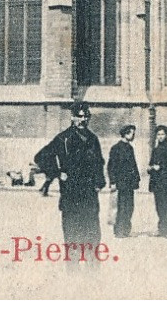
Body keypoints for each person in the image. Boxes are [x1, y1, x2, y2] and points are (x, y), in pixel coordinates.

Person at [34, 103, 106, 248]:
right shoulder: (63, 139)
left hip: (90, 196)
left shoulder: (93, 139)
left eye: (86, 117)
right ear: (72, 118)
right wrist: (57, 172)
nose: (83, 120)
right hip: (70, 195)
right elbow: (41, 156)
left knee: (93, 238)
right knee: (73, 239)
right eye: (79, 117)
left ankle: (92, 270)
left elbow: (99, 162)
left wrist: (99, 183)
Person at [107, 125, 140, 237]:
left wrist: (136, 180)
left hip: (129, 183)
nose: (133, 135)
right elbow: (111, 166)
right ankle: (119, 230)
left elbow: (133, 166)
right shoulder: (115, 148)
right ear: (126, 133)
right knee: (120, 207)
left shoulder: (130, 148)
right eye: (132, 133)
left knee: (129, 207)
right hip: (120, 183)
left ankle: (126, 230)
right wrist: (112, 182)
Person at [147, 125, 167, 238]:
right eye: (158, 135)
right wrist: (150, 168)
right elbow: (151, 163)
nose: (160, 137)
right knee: (159, 206)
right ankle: (162, 229)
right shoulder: (155, 150)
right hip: (157, 182)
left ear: (166, 135)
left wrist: (160, 168)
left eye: (162, 134)